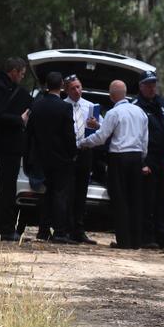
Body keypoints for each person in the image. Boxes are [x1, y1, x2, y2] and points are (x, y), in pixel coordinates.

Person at [78, 80, 148, 249]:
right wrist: (141, 159)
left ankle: (123, 241)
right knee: (135, 199)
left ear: (111, 96)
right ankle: (136, 241)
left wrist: (83, 143)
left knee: (120, 200)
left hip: (119, 158)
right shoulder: (140, 112)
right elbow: (145, 140)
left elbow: (102, 137)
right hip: (136, 157)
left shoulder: (114, 113)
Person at [133, 70, 164, 250]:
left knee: (162, 200)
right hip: (148, 157)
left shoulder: (161, 103)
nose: (152, 87)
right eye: (148, 84)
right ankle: (147, 237)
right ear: (141, 86)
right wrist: (142, 162)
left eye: (153, 83)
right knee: (148, 199)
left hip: (162, 157)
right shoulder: (136, 106)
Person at [26, 72, 77, 244]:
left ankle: (43, 230)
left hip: (41, 157)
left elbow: (29, 133)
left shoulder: (37, 105)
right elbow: (69, 135)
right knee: (60, 194)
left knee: (45, 194)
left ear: (47, 84)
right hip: (61, 159)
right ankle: (60, 232)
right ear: (62, 85)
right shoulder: (64, 107)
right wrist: (72, 153)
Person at [0, 57, 33, 241]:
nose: (22, 77)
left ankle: (0, 228)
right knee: (6, 188)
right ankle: (4, 229)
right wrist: (20, 119)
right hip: (7, 145)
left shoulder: (9, 89)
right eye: (21, 74)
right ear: (13, 71)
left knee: (7, 187)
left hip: (10, 145)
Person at [63, 74, 100, 245]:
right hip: (68, 153)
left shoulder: (91, 106)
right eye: (73, 88)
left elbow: (104, 129)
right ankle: (66, 228)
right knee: (67, 191)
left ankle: (79, 229)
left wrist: (97, 126)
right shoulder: (63, 106)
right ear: (66, 90)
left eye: (79, 87)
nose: (77, 90)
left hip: (85, 151)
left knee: (81, 192)